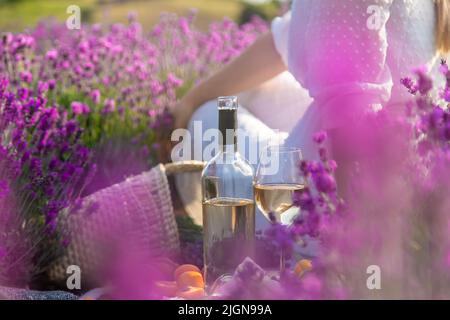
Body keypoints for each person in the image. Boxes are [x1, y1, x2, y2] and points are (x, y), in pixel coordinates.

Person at [170, 0, 449, 227]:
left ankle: (270, 192)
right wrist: (190, 99)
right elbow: (284, 42)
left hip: (342, 195)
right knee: (246, 93)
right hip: (421, 159)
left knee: (208, 118)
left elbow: (352, 108)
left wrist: (354, 235)